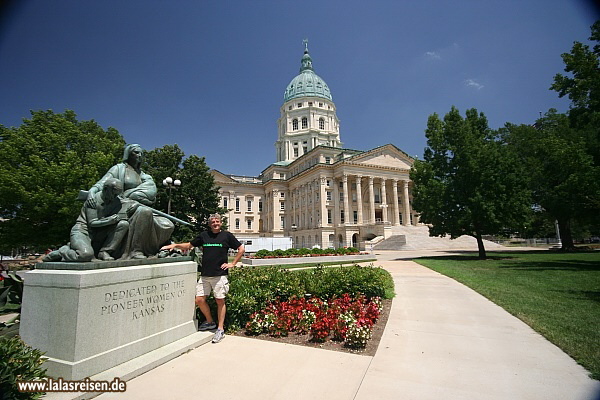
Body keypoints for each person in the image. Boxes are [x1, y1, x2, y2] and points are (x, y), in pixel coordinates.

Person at [161, 214, 245, 343]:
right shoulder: (204, 235)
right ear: (209, 224)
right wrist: (175, 246)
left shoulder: (227, 236)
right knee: (199, 300)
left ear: (220, 223)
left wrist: (232, 263)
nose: (215, 223)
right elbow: (189, 245)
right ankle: (210, 322)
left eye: (217, 221)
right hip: (205, 275)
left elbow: (241, 248)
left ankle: (220, 329)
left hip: (219, 275)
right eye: (213, 222)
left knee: (220, 301)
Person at [87, 144, 174, 259]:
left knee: (168, 225)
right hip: (119, 206)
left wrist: (131, 194)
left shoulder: (143, 175)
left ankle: (157, 248)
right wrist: (92, 192)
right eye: (136, 152)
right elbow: (104, 184)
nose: (139, 155)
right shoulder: (118, 169)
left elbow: (151, 191)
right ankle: (135, 251)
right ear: (128, 154)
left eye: (141, 153)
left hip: (136, 205)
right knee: (145, 212)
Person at [44, 178, 129, 262]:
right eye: (114, 194)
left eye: (117, 195)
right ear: (106, 189)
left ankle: (104, 252)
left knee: (123, 224)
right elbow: (92, 222)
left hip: (100, 231)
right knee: (85, 255)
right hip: (83, 230)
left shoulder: (116, 200)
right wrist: (109, 221)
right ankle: (62, 251)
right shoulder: (93, 200)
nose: (115, 197)